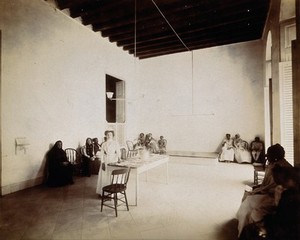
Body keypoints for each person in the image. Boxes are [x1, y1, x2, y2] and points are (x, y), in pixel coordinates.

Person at [236, 144, 292, 237]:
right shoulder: (274, 164)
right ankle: (242, 225)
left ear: (274, 156)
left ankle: (243, 230)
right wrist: (259, 188)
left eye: (269, 156)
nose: (267, 158)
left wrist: (259, 190)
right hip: (270, 192)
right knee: (248, 194)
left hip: (274, 197)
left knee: (249, 201)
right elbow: (267, 184)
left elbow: (273, 187)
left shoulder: (280, 168)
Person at [239, 166, 300, 240]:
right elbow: (280, 215)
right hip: (280, 226)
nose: (283, 182)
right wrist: (265, 221)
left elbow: (289, 226)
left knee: (251, 232)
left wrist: (268, 228)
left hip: (288, 233)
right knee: (250, 228)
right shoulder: (287, 193)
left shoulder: (294, 199)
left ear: (294, 180)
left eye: (286, 179)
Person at [96, 130, 121, 196]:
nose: (109, 136)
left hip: (113, 160)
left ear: (113, 136)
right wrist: (102, 162)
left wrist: (119, 159)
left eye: (110, 134)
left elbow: (118, 152)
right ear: (106, 136)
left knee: (112, 175)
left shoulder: (116, 143)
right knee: (105, 175)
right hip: (106, 160)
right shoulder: (104, 144)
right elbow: (101, 154)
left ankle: (113, 193)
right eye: (107, 135)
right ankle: (104, 192)